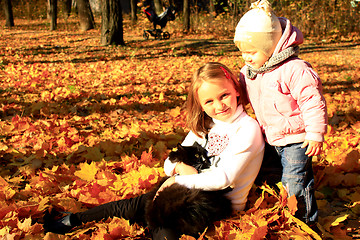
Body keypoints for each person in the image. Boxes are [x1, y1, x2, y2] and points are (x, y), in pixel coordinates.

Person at [43, 62, 265, 239]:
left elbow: (224, 178)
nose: (219, 106)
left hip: (214, 208)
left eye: (223, 95)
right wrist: (178, 167)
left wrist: (177, 181)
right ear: (200, 105)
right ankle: (73, 221)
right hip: (187, 193)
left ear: (236, 89)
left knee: (163, 227)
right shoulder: (208, 125)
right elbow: (169, 161)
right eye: (209, 101)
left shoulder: (247, 129)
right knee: (133, 205)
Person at [233, 0, 328, 226]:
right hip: (269, 137)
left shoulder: (294, 69)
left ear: (270, 47)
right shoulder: (250, 72)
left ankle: (303, 222)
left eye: (252, 52)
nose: (246, 57)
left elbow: (312, 101)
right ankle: (276, 212)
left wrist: (315, 133)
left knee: (296, 182)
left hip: (297, 140)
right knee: (268, 176)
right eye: (243, 52)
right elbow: (242, 96)